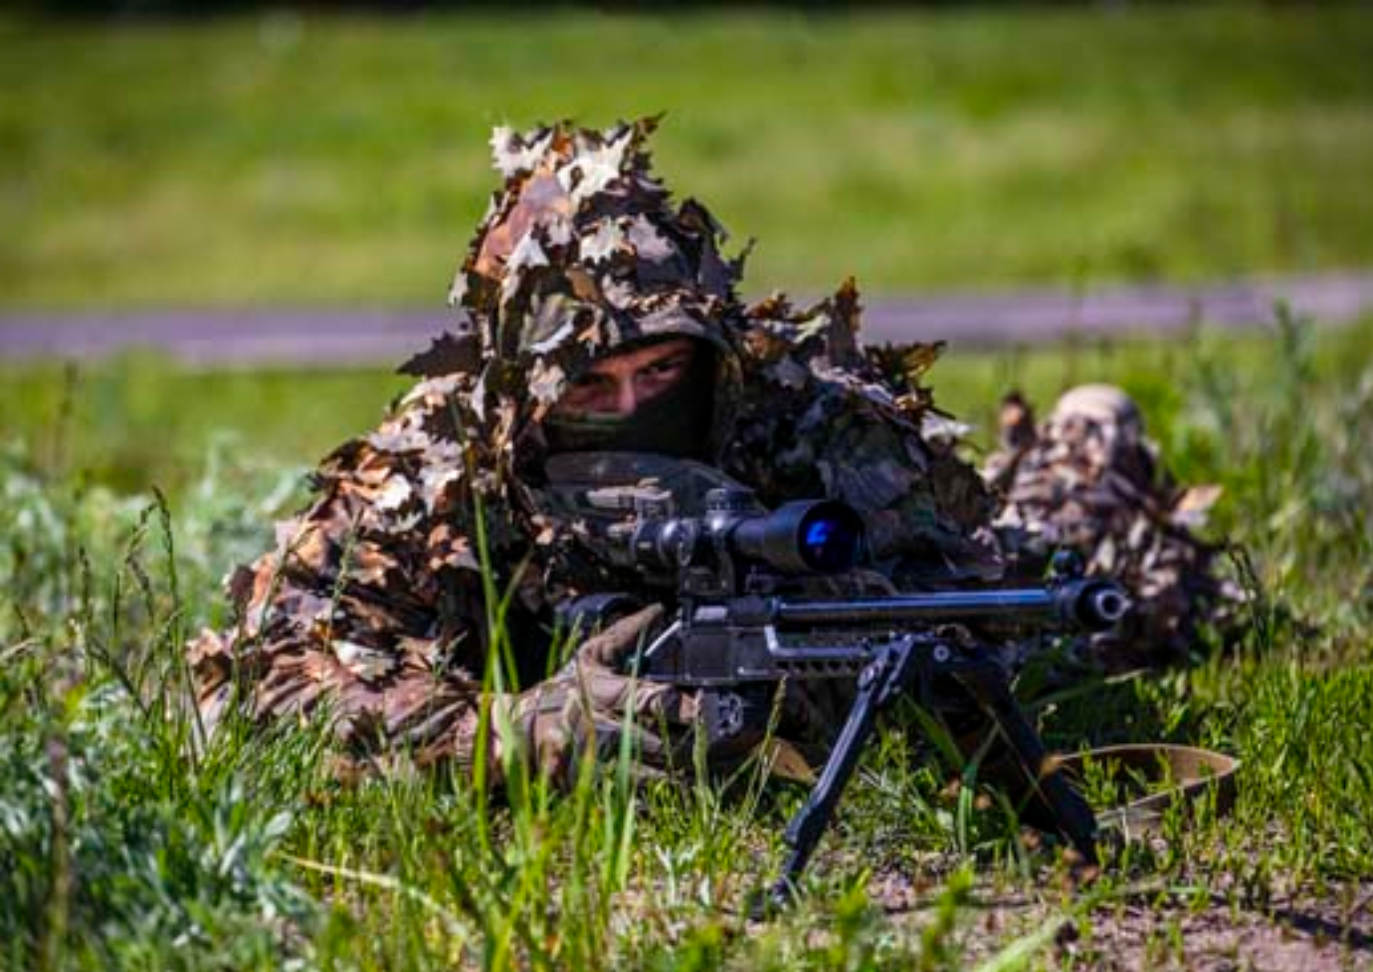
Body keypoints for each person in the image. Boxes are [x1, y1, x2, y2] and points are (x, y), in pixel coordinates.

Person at [187, 118, 998, 786]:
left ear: (711, 361)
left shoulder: (805, 423)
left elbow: (967, 612)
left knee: (1079, 519)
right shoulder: (433, 472)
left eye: (661, 371)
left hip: (996, 512)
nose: (631, 409)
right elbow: (266, 681)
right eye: (586, 389)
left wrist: (826, 675)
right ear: (517, 399)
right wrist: (512, 732)